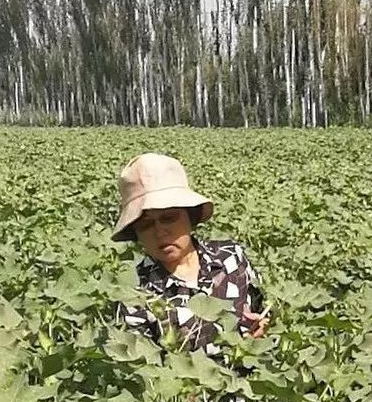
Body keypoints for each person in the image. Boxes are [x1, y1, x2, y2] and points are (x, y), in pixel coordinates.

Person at [112, 153, 270, 357]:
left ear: (190, 215)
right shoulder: (135, 291)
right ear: (136, 232)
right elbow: (142, 368)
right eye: (146, 224)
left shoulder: (231, 258)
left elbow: (264, 311)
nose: (160, 232)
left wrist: (262, 326)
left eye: (168, 218)